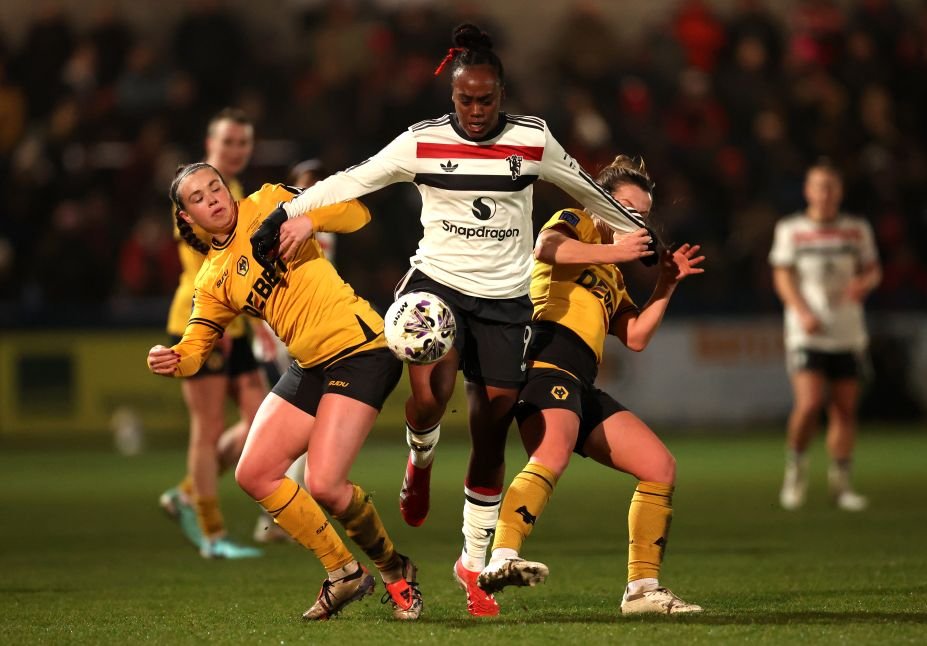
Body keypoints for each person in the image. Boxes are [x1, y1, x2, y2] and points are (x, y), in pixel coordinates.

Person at [250, 23, 655, 617]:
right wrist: (291, 209)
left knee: (492, 429)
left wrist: (637, 235)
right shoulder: (421, 142)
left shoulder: (534, 142)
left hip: (505, 301)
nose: (474, 109)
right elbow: (354, 178)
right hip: (434, 288)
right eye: (464, 99)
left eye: (485, 99)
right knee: (433, 394)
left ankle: (472, 562)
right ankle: (421, 452)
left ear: (502, 95)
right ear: (453, 96)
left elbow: (589, 190)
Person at [147, 163, 423, 621]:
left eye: (215, 186)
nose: (213, 197)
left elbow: (357, 215)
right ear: (187, 217)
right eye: (198, 197)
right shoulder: (212, 279)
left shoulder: (271, 200)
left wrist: (308, 218)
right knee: (253, 472)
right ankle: (343, 573)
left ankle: (396, 571)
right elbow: (196, 348)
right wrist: (174, 359)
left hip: (361, 348)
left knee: (325, 484)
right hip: (310, 364)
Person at [474, 155, 705, 615]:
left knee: (660, 466)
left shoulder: (613, 276)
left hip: (580, 381)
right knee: (553, 452)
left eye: (641, 213)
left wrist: (665, 285)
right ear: (599, 202)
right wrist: (619, 252)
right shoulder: (577, 223)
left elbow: (635, 336)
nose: (634, 219)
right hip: (543, 362)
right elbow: (545, 249)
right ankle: (501, 557)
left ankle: (643, 589)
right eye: (624, 206)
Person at [159, 107, 272, 559]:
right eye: (228, 142)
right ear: (210, 145)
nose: (236, 150)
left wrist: (259, 323)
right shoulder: (190, 195)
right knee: (207, 429)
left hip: (237, 320)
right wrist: (216, 323)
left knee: (260, 421)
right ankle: (211, 534)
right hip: (203, 317)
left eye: (243, 143)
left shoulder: (236, 191)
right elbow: (201, 262)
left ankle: (187, 492)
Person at [769, 160, 881, 512]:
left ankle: (841, 485)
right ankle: (796, 471)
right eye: (819, 186)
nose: (825, 192)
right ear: (808, 191)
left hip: (847, 331)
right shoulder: (792, 229)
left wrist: (864, 283)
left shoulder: (856, 229)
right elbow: (782, 275)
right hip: (807, 332)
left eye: (831, 186)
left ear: (840, 191)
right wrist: (802, 310)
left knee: (845, 410)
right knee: (809, 405)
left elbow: (873, 269)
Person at [251, 158, 332, 545]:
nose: (310, 190)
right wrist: (260, 327)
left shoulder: (320, 220)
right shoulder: (292, 220)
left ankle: (279, 514)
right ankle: (281, 514)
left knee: (301, 424)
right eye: (305, 184)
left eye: (317, 183)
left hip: (308, 326)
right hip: (285, 329)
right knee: (299, 424)